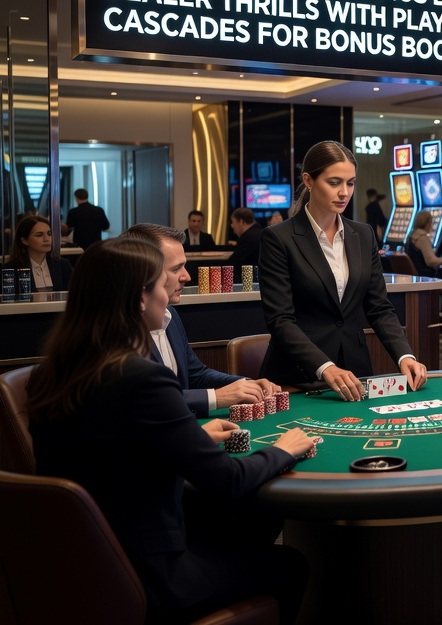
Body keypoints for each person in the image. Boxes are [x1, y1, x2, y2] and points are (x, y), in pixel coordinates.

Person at [26, 237, 315, 624]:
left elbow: (111, 449)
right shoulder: (142, 378)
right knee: (289, 564)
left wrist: (186, 437)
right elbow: (228, 480)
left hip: (80, 563)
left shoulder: (51, 372)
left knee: (243, 529)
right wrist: (285, 447)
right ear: (139, 299)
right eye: (161, 285)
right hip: (151, 576)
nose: (168, 296)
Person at [258, 140, 428, 400]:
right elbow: (281, 321)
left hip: (355, 371)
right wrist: (326, 367)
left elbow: (379, 307)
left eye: (350, 183)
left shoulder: (363, 234)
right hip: (298, 376)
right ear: (309, 180)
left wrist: (405, 354)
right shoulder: (278, 238)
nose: (344, 192)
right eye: (334, 182)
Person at [123, 223, 280, 416]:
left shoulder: (171, 316)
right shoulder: (118, 330)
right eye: (176, 269)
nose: (187, 276)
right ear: (145, 273)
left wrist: (245, 384)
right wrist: (217, 397)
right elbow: (145, 400)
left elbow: (196, 375)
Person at [0, 215, 73, 292]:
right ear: (24, 240)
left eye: (49, 234)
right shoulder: (10, 269)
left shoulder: (63, 265)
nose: (46, 239)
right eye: (39, 235)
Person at [404, 209, 442, 276]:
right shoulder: (422, 238)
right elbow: (431, 261)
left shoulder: (411, 236)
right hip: (425, 277)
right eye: (431, 222)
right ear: (427, 223)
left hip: (415, 276)